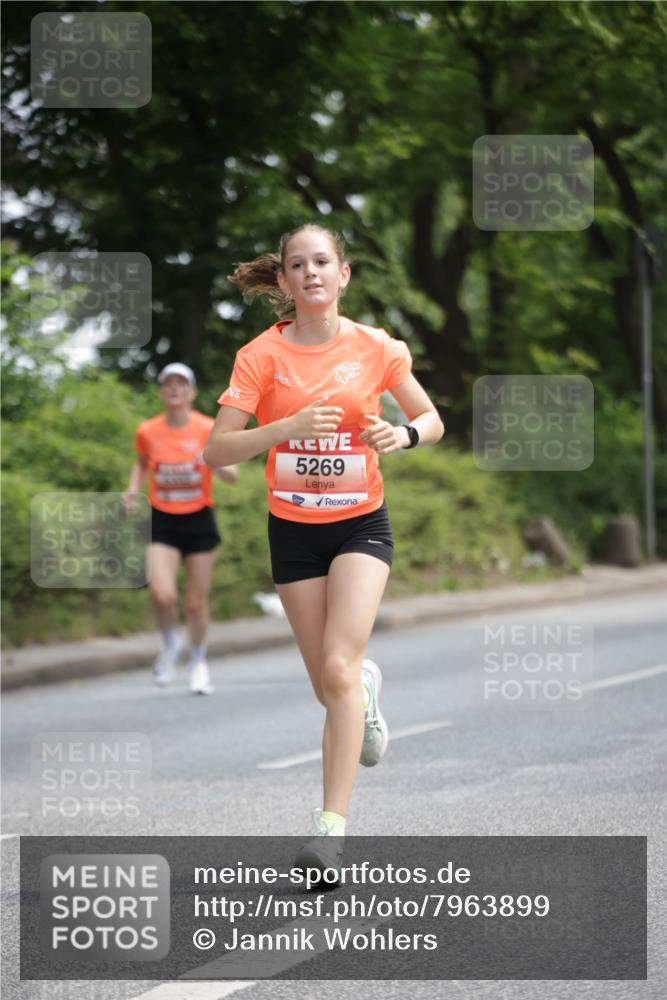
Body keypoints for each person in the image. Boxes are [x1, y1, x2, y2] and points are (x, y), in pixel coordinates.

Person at [203, 224, 444, 876]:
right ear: (281, 281)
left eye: (321, 262)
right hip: (293, 532)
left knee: (336, 665)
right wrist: (284, 427)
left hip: (360, 524)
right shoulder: (259, 356)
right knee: (329, 684)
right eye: (296, 265)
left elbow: (430, 417)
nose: (310, 273)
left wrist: (404, 435)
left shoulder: (375, 347)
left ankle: (328, 834)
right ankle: (362, 690)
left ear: (342, 274)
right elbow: (217, 449)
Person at [122, 363, 238, 695]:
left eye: (181, 383)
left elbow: (230, 468)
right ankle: (171, 643)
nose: (175, 389)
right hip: (162, 519)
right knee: (161, 593)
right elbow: (142, 461)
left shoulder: (206, 427)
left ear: (192, 391)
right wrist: (133, 489)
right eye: (168, 383)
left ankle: (198, 661)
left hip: (199, 518)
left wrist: (223, 470)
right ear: (161, 392)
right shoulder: (148, 430)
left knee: (194, 603)